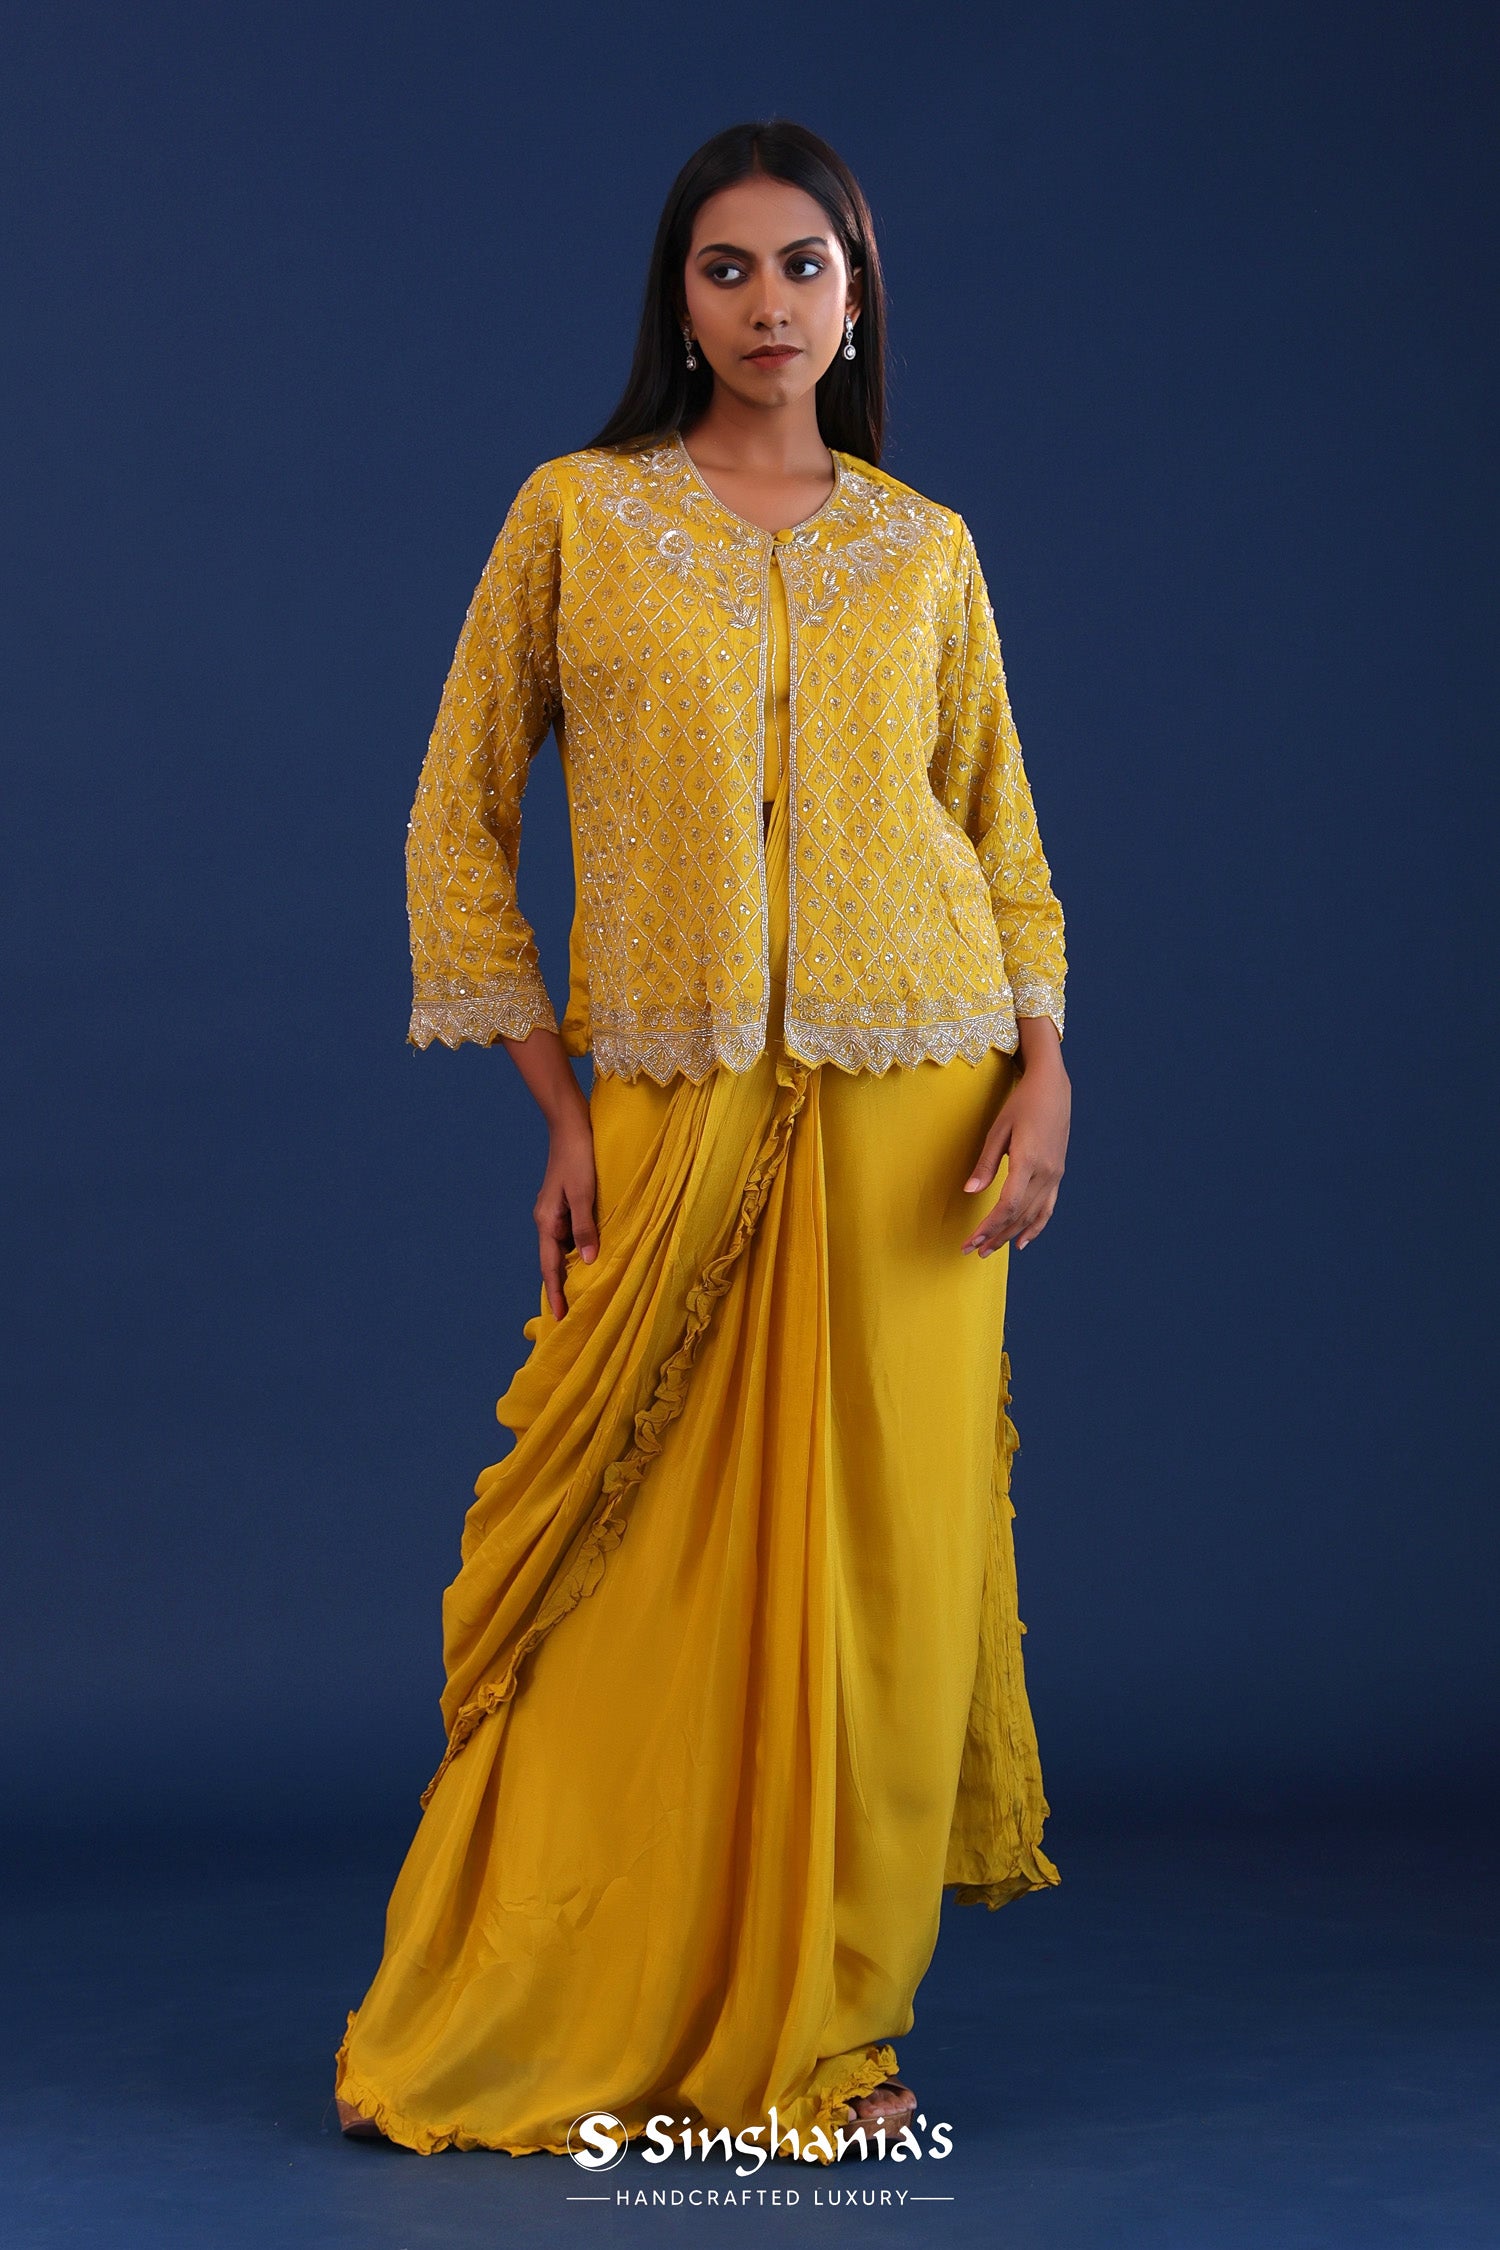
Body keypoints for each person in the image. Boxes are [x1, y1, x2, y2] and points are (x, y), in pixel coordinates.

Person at [334, 118, 1070, 2162]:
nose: (769, 304)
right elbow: (456, 811)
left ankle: (839, 2020)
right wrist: (558, 1102)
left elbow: (1003, 837)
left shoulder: (923, 549)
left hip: (920, 1111)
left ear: (858, 300)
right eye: (728, 267)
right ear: (678, 298)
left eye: (805, 266)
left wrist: (1047, 1068)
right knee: (643, 1575)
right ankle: (612, 1995)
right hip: (674, 1110)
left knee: (886, 1571)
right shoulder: (578, 516)